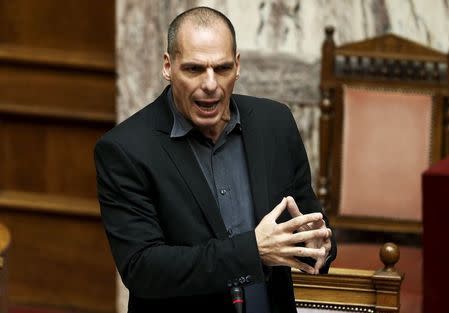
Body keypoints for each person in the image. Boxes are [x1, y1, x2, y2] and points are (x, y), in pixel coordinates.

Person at [95, 6, 336, 313]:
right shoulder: (125, 149)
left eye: (221, 69)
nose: (210, 84)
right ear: (168, 67)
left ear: (237, 66)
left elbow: (306, 214)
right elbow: (144, 269)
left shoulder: (275, 123)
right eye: (194, 69)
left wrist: (318, 246)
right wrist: (254, 250)